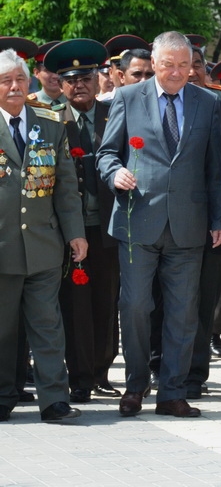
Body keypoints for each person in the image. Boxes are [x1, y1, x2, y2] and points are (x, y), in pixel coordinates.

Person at [97, 31, 221, 418]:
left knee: (183, 312)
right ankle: (136, 384)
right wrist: (115, 172)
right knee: (135, 305)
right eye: (168, 64)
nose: (176, 72)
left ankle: (172, 391)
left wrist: (220, 218)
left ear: (192, 66)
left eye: (183, 65)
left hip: (189, 222)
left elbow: (215, 166)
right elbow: (106, 153)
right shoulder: (126, 98)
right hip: (138, 220)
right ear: (154, 64)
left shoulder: (208, 103)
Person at [0, 47, 87, 422]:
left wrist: (76, 234)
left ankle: (54, 400)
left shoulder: (49, 122)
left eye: (20, 79)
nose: (15, 87)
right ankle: (4, 396)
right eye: (6, 81)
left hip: (43, 245)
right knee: (2, 330)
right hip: (2, 246)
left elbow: (66, 186)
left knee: (48, 325)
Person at [47, 39, 122, 403]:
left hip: (108, 226)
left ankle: (102, 372)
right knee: (74, 304)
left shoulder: (114, 115)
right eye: (71, 79)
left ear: (98, 79)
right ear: (60, 85)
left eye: (86, 77)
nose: (79, 85)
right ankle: (79, 376)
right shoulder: (50, 120)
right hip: (68, 231)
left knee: (107, 302)